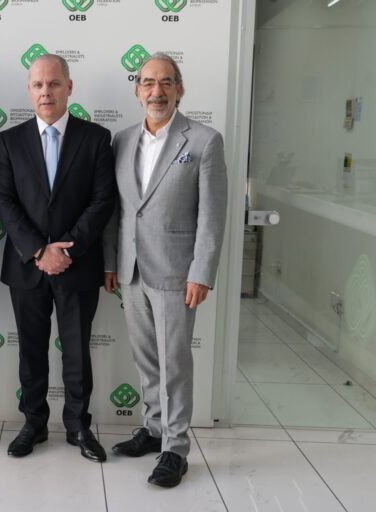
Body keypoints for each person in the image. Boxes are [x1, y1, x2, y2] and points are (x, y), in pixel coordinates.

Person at [103, 52, 227, 487]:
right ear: (138, 91)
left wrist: (201, 272)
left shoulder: (204, 141)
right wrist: (110, 262)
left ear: (179, 90)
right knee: (146, 358)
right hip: (131, 270)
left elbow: (212, 215)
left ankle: (175, 449)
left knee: (174, 364)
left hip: (177, 273)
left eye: (166, 82)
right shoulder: (120, 141)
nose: (156, 91)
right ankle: (154, 429)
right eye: (148, 82)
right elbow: (118, 210)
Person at [0, 54, 115, 462]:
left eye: (54, 83)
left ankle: (79, 426)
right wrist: (39, 250)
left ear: (69, 87)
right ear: (30, 90)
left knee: (77, 351)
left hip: (77, 265)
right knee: (31, 351)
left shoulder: (96, 138)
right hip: (27, 266)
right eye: (38, 85)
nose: (46, 92)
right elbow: (4, 200)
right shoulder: (10, 141)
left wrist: (67, 249)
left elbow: (102, 201)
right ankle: (34, 423)